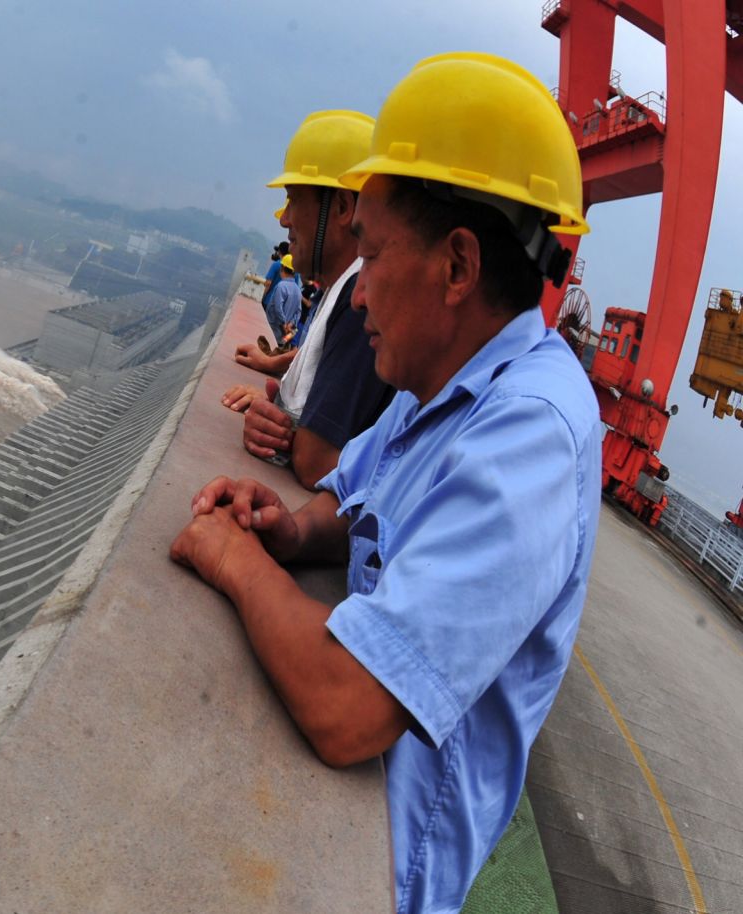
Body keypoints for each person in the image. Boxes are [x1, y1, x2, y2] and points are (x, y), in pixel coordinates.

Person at [169, 52, 599, 914]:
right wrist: (290, 532)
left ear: (458, 266)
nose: (357, 297)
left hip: (385, 873)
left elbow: (349, 707)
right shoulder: (437, 383)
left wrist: (235, 560)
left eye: (373, 253)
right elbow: (352, 498)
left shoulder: (532, 437)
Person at [224, 109, 395, 489]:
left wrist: (284, 431)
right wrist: (279, 405)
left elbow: (317, 462)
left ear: (341, 208)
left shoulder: (359, 302)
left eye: (293, 199)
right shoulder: (340, 289)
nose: (284, 219)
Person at [260, 255, 301, 347]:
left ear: (282, 268)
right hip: (285, 335)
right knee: (279, 349)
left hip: (274, 330)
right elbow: (298, 312)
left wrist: (284, 323)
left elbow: (278, 308)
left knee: (268, 350)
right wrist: (291, 324)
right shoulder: (298, 290)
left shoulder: (281, 286)